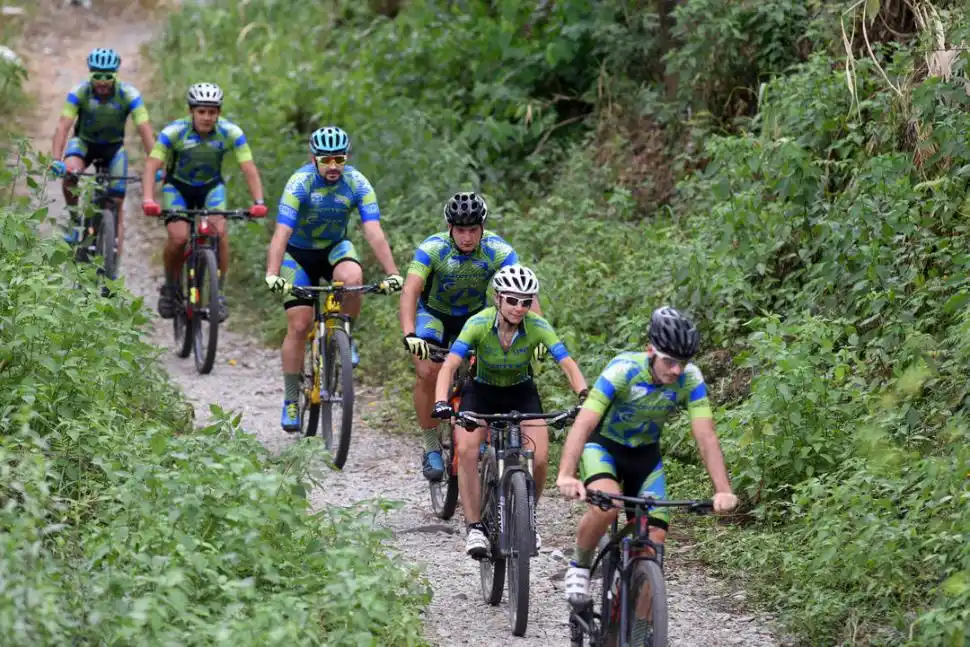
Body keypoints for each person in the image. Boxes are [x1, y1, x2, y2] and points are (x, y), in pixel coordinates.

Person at [555, 306, 739, 605]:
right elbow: (585, 422)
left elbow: (705, 436)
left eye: (683, 362)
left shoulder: (690, 378)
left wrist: (723, 489)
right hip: (605, 448)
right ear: (650, 350)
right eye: (669, 361)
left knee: (655, 538)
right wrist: (565, 473)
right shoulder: (623, 369)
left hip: (645, 457)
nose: (676, 370)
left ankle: (638, 627)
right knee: (608, 506)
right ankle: (580, 564)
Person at [432, 264, 587, 559]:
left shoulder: (538, 326)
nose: (519, 307)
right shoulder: (478, 323)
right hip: (481, 392)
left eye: (526, 302)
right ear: (498, 298)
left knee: (540, 459)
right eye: (513, 300)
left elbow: (566, 362)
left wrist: (584, 395)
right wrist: (441, 401)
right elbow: (451, 364)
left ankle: (528, 518)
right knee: (465, 450)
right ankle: (475, 526)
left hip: (521, 392)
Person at [264, 126, 403, 432]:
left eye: (338, 159)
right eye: (325, 160)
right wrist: (273, 273)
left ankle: (344, 334)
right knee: (299, 324)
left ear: (346, 158)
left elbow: (373, 231)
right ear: (313, 158)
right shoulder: (299, 183)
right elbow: (281, 234)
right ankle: (290, 398)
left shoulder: (356, 182)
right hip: (297, 255)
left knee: (353, 277)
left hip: (333, 249)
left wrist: (393, 273)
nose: (332, 167)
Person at [400, 192, 537, 482]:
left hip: (474, 317)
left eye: (473, 230)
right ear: (449, 227)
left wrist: (534, 335)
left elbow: (525, 292)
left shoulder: (497, 249)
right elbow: (411, 290)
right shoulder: (433, 248)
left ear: (482, 228)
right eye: (461, 230)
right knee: (429, 372)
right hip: (433, 316)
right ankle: (431, 446)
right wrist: (410, 333)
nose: (467, 237)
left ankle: (483, 432)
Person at [142, 82, 267, 322]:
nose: (207, 117)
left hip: (211, 188)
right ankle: (170, 287)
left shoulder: (231, 132)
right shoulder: (174, 132)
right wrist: (148, 198)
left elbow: (248, 168)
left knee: (219, 232)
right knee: (178, 237)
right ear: (191, 111)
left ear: (219, 113)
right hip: (178, 188)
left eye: (212, 112)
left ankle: (218, 293)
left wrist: (258, 201)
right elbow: (152, 165)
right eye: (201, 111)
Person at [50, 47, 155, 260]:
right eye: (98, 76)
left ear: (116, 75)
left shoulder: (129, 94)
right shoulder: (79, 92)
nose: (103, 81)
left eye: (108, 76)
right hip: (84, 145)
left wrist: (156, 163)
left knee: (117, 202)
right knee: (71, 172)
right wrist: (55, 159)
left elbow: (144, 128)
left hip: (113, 149)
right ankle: (74, 219)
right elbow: (63, 126)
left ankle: (113, 260)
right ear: (90, 74)